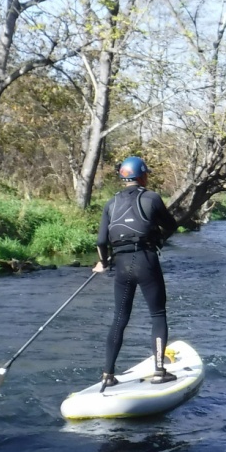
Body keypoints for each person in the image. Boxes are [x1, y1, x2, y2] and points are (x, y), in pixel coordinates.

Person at [93, 156, 180, 386]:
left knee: (119, 318)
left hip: (121, 266)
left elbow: (101, 241)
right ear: (142, 176)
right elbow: (171, 225)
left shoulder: (110, 204)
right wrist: (158, 238)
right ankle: (160, 371)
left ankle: (108, 375)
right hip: (146, 261)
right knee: (158, 314)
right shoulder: (151, 198)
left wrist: (103, 262)